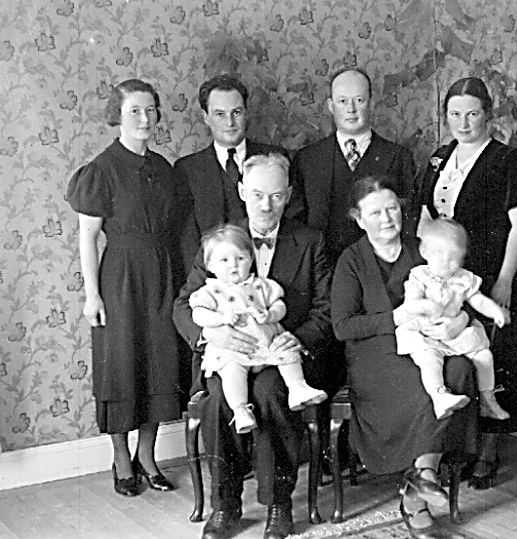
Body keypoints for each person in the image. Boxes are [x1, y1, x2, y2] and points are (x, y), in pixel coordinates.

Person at [173, 153, 334, 539]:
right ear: (243, 191)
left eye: (276, 196)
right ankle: (225, 506)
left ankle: (279, 504)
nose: (266, 206)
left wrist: (298, 337)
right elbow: (183, 305)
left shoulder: (309, 241)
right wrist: (211, 335)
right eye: (258, 195)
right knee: (218, 398)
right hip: (229, 353)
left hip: (281, 354)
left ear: (289, 196)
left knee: (271, 392)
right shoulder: (220, 239)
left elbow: (326, 308)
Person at [332, 176, 478, 539]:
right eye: (375, 212)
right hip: (376, 356)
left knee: (460, 368)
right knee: (423, 384)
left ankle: (421, 479)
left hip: (430, 343)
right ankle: (419, 498)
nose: (387, 218)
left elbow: (466, 292)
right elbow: (343, 326)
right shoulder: (351, 260)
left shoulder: (423, 249)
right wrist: (398, 316)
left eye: (393, 208)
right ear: (358, 218)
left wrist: (460, 320)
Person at [411, 76, 517, 489]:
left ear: (488, 114)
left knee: (488, 354)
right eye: (454, 114)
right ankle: (456, 445)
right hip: (445, 278)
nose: (463, 123)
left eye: (472, 114)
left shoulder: (507, 160)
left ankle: (488, 451)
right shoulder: (439, 158)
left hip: (488, 276)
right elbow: (425, 218)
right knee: (449, 354)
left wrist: (503, 281)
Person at [67, 79, 187, 496]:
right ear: (116, 116)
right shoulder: (101, 170)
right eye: (135, 110)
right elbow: (87, 237)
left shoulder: (163, 168)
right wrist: (92, 295)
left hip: (163, 274)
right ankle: (121, 460)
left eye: (151, 110)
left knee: (160, 364)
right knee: (120, 367)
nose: (144, 118)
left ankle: (147, 457)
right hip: (120, 277)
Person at [189, 224, 327, 433]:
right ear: (210, 265)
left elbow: (279, 304)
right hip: (231, 350)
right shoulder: (210, 291)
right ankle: (241, 410)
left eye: (240, 259)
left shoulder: (261, 285)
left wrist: (271, 314)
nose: (234, 265)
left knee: (287, 354)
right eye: (224, 261)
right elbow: (197, 313)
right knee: (231, 373)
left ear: (250, 259)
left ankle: (297, 388)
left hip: (268, 343)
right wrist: (219, 319)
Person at [286, 67, 416, 260]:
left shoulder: (398, 157)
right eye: (343, 101)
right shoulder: (307, 159)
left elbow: (408, 224)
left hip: (381, 267)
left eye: (359, 100)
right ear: (331, 105)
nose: (351, 109)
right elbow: (296, 226)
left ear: (371, 103)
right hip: (321, 267)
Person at [396, 218, 511, 421]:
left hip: (455, 332)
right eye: (440, 256)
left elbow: (477, 300)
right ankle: (439, 396)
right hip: (427, 332)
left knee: (484, 356)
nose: (448, 263)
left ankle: (487, 399)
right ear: (425, 252)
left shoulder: (463, 278)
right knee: (430, 359)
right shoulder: (420, 276)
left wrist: (495, 311)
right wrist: (425, 305)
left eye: (454, 258)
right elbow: (410, 305)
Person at [175, 74, 286, 271]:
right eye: (220, 114)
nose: (230, 122)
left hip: (269, 271)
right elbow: (187, 239)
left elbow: (290, 224)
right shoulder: (187, 169)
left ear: (246, 113)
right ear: (206, 117)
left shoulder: (275, 158)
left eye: (236, 112)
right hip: (212, 277)